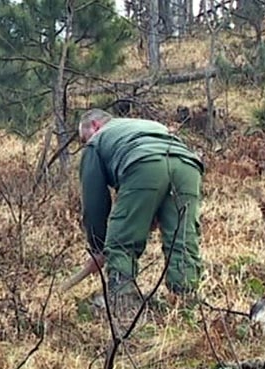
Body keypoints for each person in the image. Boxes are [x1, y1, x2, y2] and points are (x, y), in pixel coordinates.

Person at [76, 108, 204, 313]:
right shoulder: (146, 126)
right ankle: (186, 304)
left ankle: (124, 306)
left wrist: (99, 246)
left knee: (121, 242)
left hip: (144, 163)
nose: (85, 144)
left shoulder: (96, 141)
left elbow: (94, 202)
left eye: (84, 139)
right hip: (187, 164)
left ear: (95, 126)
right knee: (182, 240)